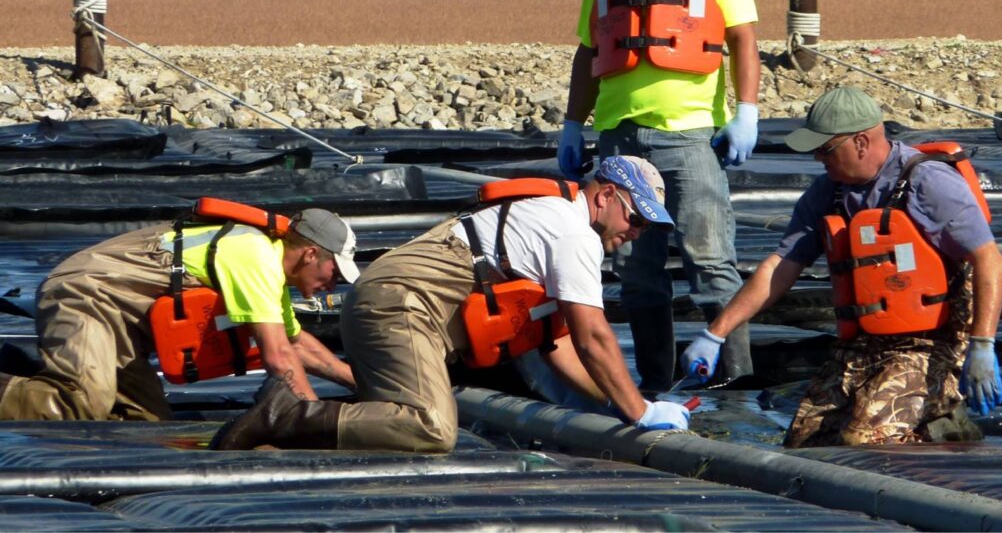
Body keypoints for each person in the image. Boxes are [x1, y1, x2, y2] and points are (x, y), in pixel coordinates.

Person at [210, 156, 693, 453]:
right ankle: (282, 415)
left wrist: (613, 402)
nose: (635, 233)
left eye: (646, 228)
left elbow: (558, 346)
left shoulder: (555, 223)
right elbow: (594, 336)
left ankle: (275, 435)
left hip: (387, 306)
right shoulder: (573, 233)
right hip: (399, 308)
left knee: (390, 430)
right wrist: (640, 412)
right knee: (434, 427)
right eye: (635, 218)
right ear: (606, 195)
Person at [681, 86, 1002, 446]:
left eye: (825, 149)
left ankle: (938, 422)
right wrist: (715, 334)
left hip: (931, 346)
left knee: (865, 440)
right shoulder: (828, 192)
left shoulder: (927, 183)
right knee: (805, 439)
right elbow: (780, 266)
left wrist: (981, 345)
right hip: (864, 342)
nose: (818, 158)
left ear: (861, 143)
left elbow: (989, 259)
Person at [558, 0, 761, 392]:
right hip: (619, 140)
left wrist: (747, 111)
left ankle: (735, 387)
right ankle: (652, 385)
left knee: (710, 262)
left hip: (690, 137)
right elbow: (588, 49)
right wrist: (574, 125)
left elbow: (743, 37)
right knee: (637, 275)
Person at [0, 207, 359, 421]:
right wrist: (314, 419)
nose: (334, 285)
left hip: (122, 320)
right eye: (336, 273)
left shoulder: (271, 273)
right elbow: (278, 357)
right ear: (311, 254)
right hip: (87, 294)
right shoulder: (254, 254)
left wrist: (364, 385)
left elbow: (295, 343)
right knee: (80, 402)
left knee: (146, 423)